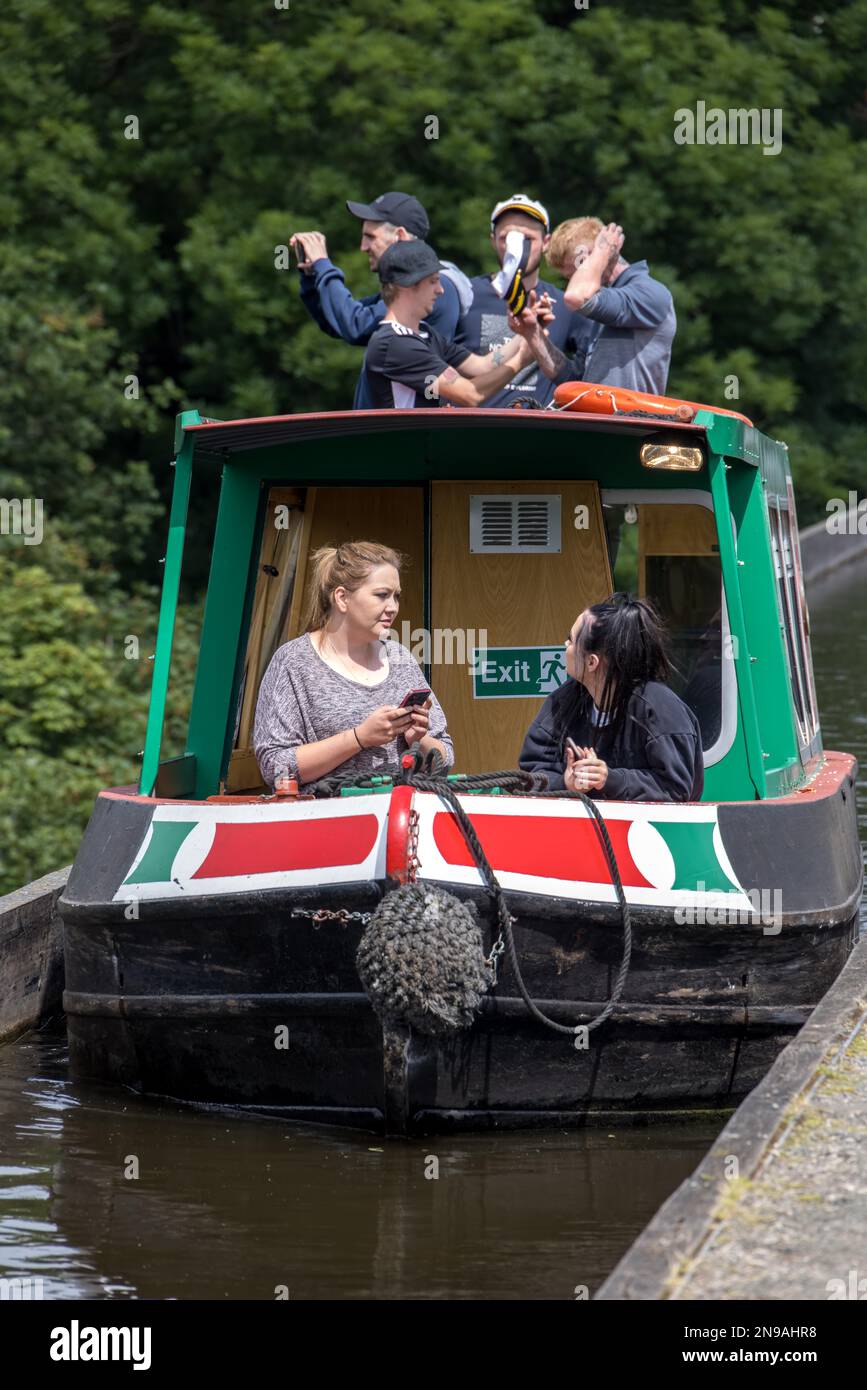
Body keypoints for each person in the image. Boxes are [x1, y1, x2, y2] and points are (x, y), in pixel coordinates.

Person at [254, 541, 453, 789]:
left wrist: (420, 740)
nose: (393, 607)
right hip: (326, 820)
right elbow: (275, 766)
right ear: (342, 598)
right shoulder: (293, 662)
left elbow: (446, 758)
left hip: (402, 817)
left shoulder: (401, 660)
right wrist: (358, 738)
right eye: (382, 595)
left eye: (396, 596)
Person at [292, 191, 472, 408]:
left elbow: (355, 324)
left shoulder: (430, 289)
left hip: (406, 433)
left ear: (400, 237)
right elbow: (338, 322)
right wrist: (311, 276)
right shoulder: (406, 289)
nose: (363, 247)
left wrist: (323, 263)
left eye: (370, 237)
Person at [519, 594, 703, 801]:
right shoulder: (563, 701)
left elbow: (675, 789)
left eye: (570, 640)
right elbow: (529, 774)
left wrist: (610, 779)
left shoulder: (660, 709)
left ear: (591, 662)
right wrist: (564, 783)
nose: (565, 644)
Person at [453, 194, 596, 408]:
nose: (516, 249)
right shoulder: (464, 294)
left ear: (546, 242)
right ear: (493, 240)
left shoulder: (564, 303)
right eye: (507, 238)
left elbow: (589, 373)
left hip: (537, 433)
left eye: (526, 239)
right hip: (472, 430)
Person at [361, 240, 534, 409]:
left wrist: (527, 332)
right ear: (406, 284)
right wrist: (520, 362)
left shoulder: (424, 333)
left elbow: (481, 366)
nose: (441, 289)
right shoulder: (395, 343)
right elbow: (470, 394)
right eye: (433, 281)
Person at [541, 217, 676, 396]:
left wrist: (602, 251)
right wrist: (533, 334)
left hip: (631, 422)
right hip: (596, 421)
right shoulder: (599, 306)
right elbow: (574, 381)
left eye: (575, 273)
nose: (573, 281)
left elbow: (576, 296)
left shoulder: (650, 293)